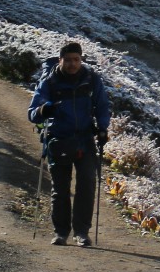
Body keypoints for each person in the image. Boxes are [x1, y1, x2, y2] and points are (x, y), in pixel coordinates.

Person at [27, 41, 110, 247]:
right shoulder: (49, 82)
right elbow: (32, 113)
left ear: (81, 59)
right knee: (60, 189)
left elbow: (102, 105)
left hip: (85, 140)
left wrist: (102, 128)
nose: (73, 64)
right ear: (60, 59)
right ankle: (61, 233)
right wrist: (44, 110)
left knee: (87, 185)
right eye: (69, 60)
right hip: (58, 140)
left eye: (77, 59)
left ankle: (81, 232)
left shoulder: (92, 80)